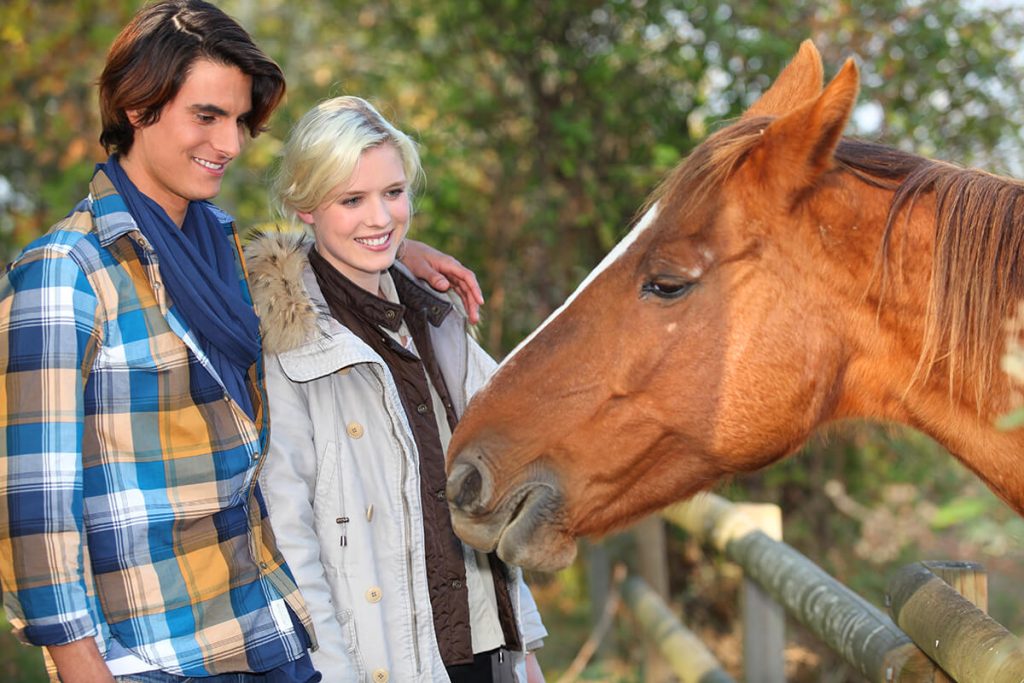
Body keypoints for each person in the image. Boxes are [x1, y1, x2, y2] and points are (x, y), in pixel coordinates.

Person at [0, 2, 485, 681]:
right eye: (207, 116)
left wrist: (395, 254)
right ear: (139, 108)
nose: (229, 143)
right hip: (157, 655)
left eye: (237, 119)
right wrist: (80, 666)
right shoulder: (65, 275)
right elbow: (31, 511)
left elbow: (306, 261)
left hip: (274, 636)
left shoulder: (221, 250)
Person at [248, 95, 548, 683]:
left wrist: (524, 649)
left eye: (393, 192)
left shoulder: (436, 319)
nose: (381, 219)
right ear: (305, 208)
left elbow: (478, 490)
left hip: (484, 652)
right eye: (352, 200)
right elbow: (290, 536)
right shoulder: (288, 339)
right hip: (384, 663)